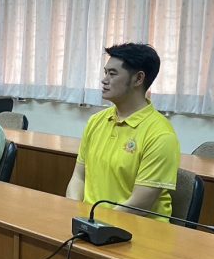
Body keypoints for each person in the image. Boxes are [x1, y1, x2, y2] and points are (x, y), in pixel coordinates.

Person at [66, 43, 180, 219]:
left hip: (136, 228)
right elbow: (79, 177)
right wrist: (75, 213)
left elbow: (139, 204)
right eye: (105, 73)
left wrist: (95, 223)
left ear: (138, 79)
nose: (104, 80)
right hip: (90, 222)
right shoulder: (96, 121)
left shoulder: (161, 135)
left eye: (112, 74)